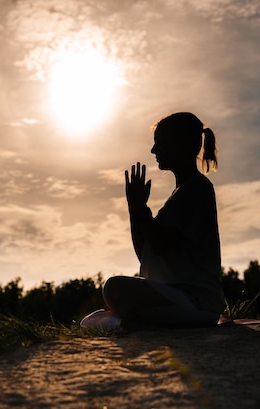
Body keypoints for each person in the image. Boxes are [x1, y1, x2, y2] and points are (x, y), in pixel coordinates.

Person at [81, 112, 225, 331]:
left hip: (196, 304)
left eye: (160, 143)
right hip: (174, 299)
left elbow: (163, 244)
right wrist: (134, 209)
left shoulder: (198, 189)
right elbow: (146, 253)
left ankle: (129, 323)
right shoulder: (178, 196)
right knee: (90, 319)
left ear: (181, 144)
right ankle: (128, 323)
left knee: (114, 287)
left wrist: (141, 209)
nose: (154, 150)